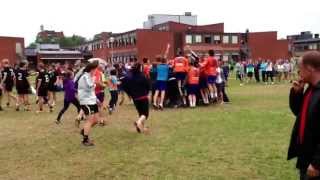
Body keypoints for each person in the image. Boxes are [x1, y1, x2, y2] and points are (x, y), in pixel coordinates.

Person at [288, 51, 320, 180]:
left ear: (310, 68)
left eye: (300, 69)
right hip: (305, 155)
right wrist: (297, 93)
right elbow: (299, 113)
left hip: (315, 161)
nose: (298, 73)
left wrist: (317, 163)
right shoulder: (311, 88)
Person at [121, 63, 151, 134]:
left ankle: (141, 128)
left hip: (135, 98)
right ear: (139, 68)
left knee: (140, 113)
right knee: (145, 114)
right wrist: (147, 93)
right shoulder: (143, 76)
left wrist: (130, 94)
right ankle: (138, 122)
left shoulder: (129, 77)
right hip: (143, 97)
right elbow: (148, 86)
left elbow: (124, 86)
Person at [78, 61, 100, 146]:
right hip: (86, 101)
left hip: (92, 100)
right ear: (92, 69)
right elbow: (90, 86)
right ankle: (85, 140)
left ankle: (84, 131)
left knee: (96, 120)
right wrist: (94, 81)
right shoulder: (85, 76)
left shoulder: (90, 76)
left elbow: (91, 91)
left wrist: (97, 100)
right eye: (95, 69)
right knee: (89, 120)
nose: (96, 71)